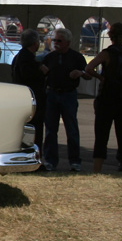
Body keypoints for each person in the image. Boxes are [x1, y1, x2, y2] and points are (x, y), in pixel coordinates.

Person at [85, 22, 122, 173]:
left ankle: (97, 171)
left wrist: (101, 78)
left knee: (101, 136)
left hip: (107, 100)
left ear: (110, 35)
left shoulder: (106, 53)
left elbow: (89, 68)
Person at [41, 28, 87, 171]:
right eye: (54, 40)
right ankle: (50, 160)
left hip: (69, 95)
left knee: (71, 128)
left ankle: (74, 161)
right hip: (52, 94)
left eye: (59, 41)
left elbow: (88, 74)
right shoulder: (49, 57)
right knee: (50, 129)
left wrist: (80, 72)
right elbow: (41, 71)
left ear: (67, 42)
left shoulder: (77, 57)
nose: (56, 43)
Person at [11, 28, 45, 150]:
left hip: (23, 97)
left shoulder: (19, 56)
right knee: (34, 129)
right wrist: (41, 72)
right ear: (35, 43)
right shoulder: (28, 59)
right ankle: (32, 153)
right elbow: (29, 76)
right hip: (32, 98)